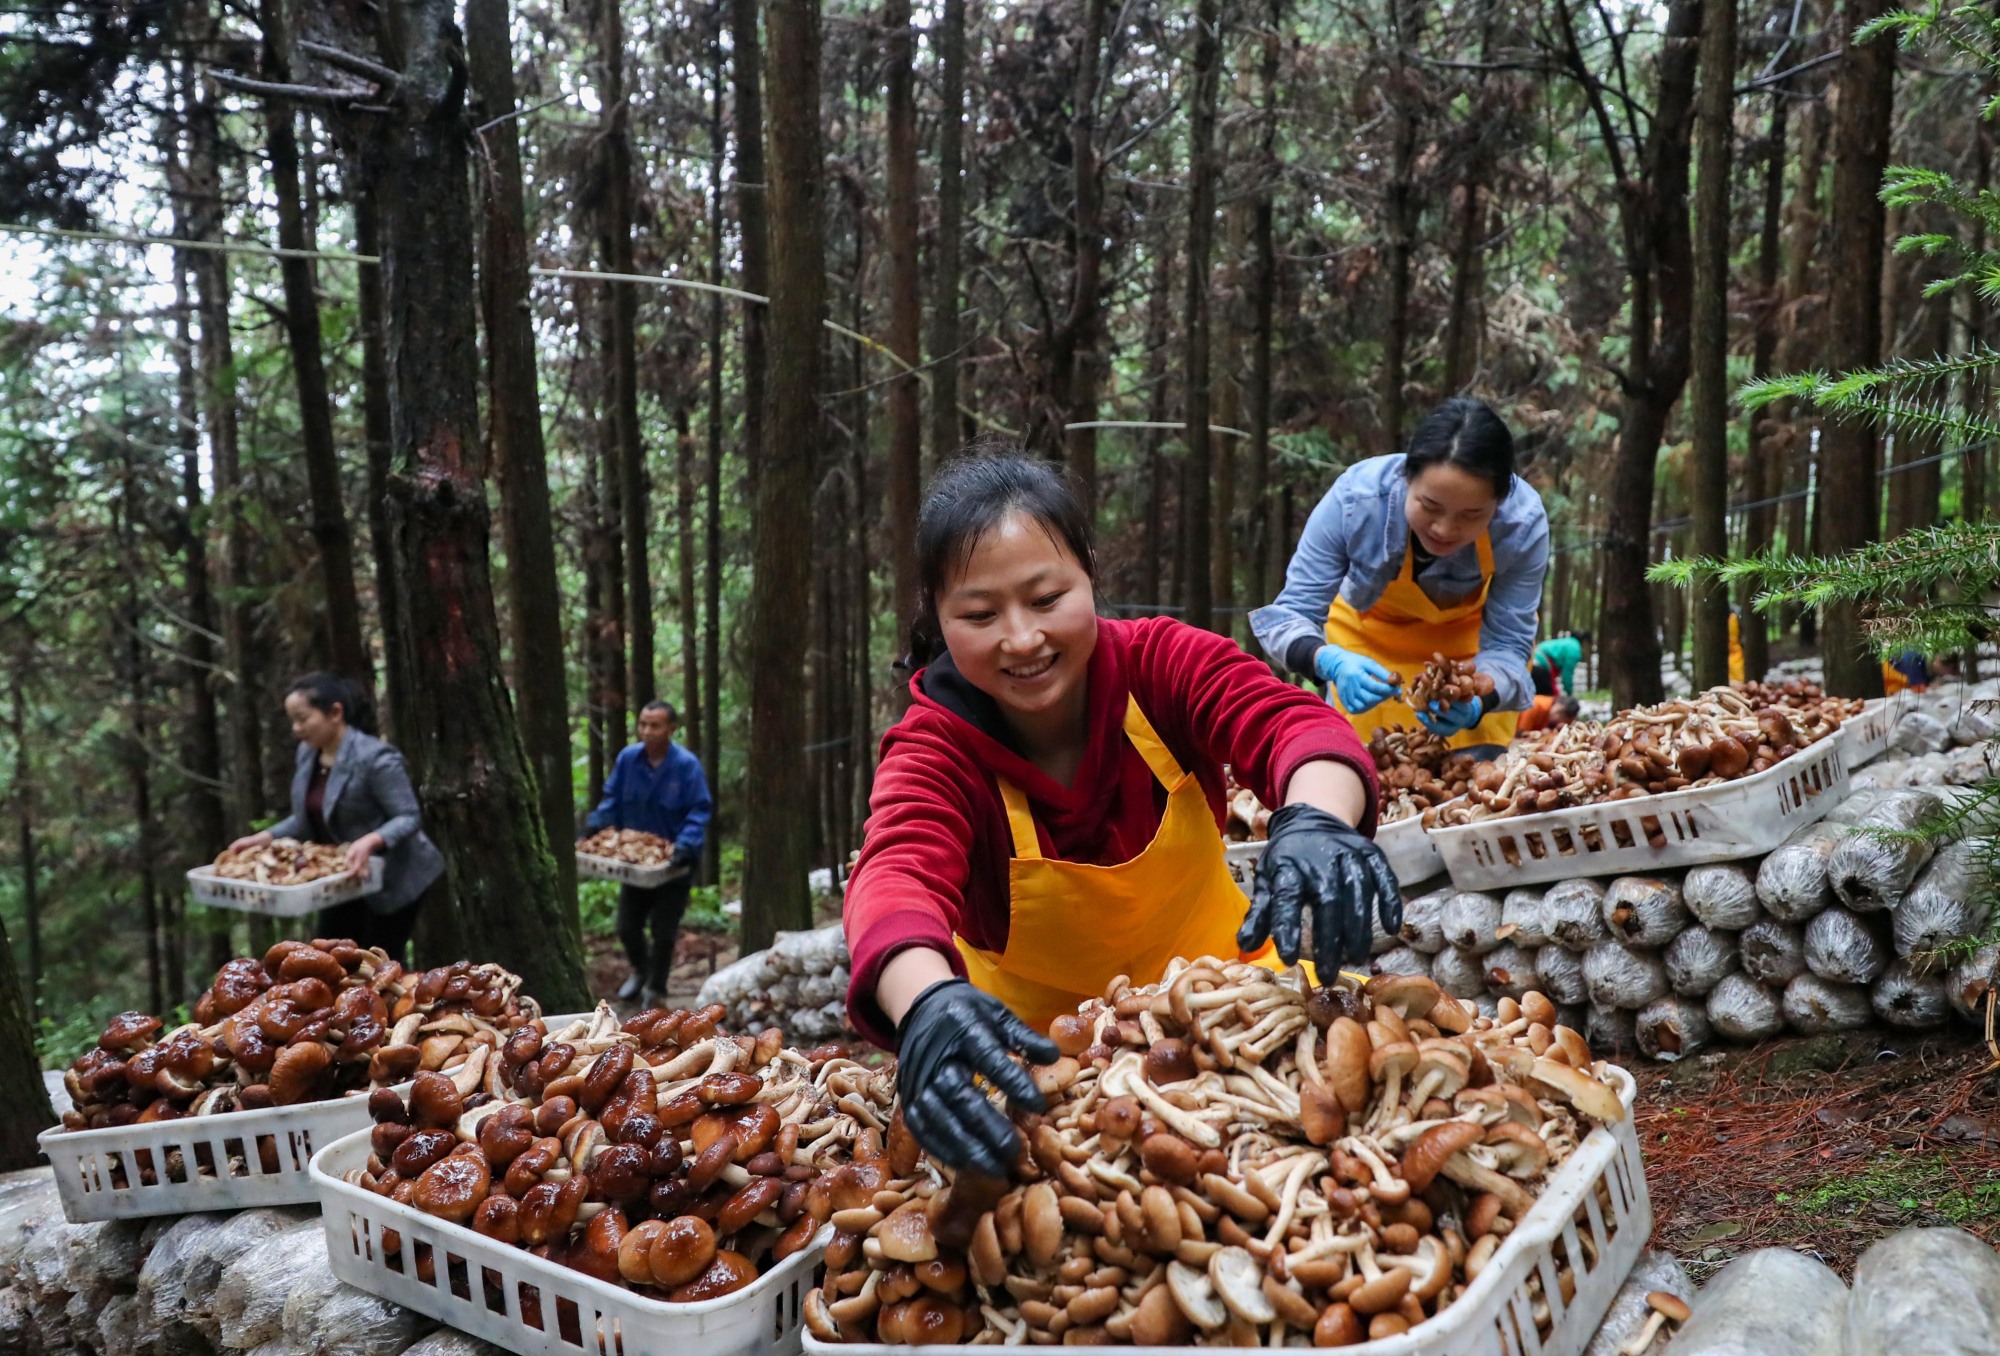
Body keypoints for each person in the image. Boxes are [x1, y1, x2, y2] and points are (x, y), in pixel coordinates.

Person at [843, 449, 1398, 1178]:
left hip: (1232, 1011)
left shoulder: (1161, 663)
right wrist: (926, 1004)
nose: (1022, 638)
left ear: (1089, 576)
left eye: (1046, 600)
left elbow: (1288, 723)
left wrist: (1317, 818)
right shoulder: (935, 746)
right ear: (937, 618)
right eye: (980, 614)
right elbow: (896, 873)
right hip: (1030, 1068)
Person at [1251, 398, 1551, 760]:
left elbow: (1509, 642)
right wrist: (1326, 660)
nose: (1444, 528)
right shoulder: (1355, 500)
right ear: (1406, 478)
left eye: (1472, 515)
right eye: (1430, 506)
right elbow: (1291, 614)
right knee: (1357, 769)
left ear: (1500, 502)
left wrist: (1479, 699)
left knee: (1471, 784)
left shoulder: (1522, 526)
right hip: (1363, 644)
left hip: (1467, 661)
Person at [227, 673, 444, 957]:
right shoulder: (308, 755)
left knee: (377, 961)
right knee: (331, 956)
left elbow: (408, 816)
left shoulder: (376, 758)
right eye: (292, 720)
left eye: (303, 718)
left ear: (335, 713)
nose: (296, 728)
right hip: (340, 878)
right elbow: (305, 820)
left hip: (394, 876)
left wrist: (370, 841)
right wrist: (263, 839)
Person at [585, 700, 712, 1006]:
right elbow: (612, 799)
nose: (647, 731)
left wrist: (685, 846)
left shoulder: (686, 766)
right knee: (627, 927)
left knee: (663, 931)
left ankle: (656, 988)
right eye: (642, 724)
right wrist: (594, 826)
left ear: (671, 728)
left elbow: (699, 810)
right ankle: (641, 971)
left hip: (674, 864)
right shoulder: (629, 760)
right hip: (637, 865)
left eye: (654, 725)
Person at [1531, 631, 1590, 697]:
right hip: (1541, 664)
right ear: (1585, 642)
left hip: (1533, 659)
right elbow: (1567, 673)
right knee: (1551, 698)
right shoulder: (1574, 650)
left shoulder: (1567, 642)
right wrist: (1569, 692)